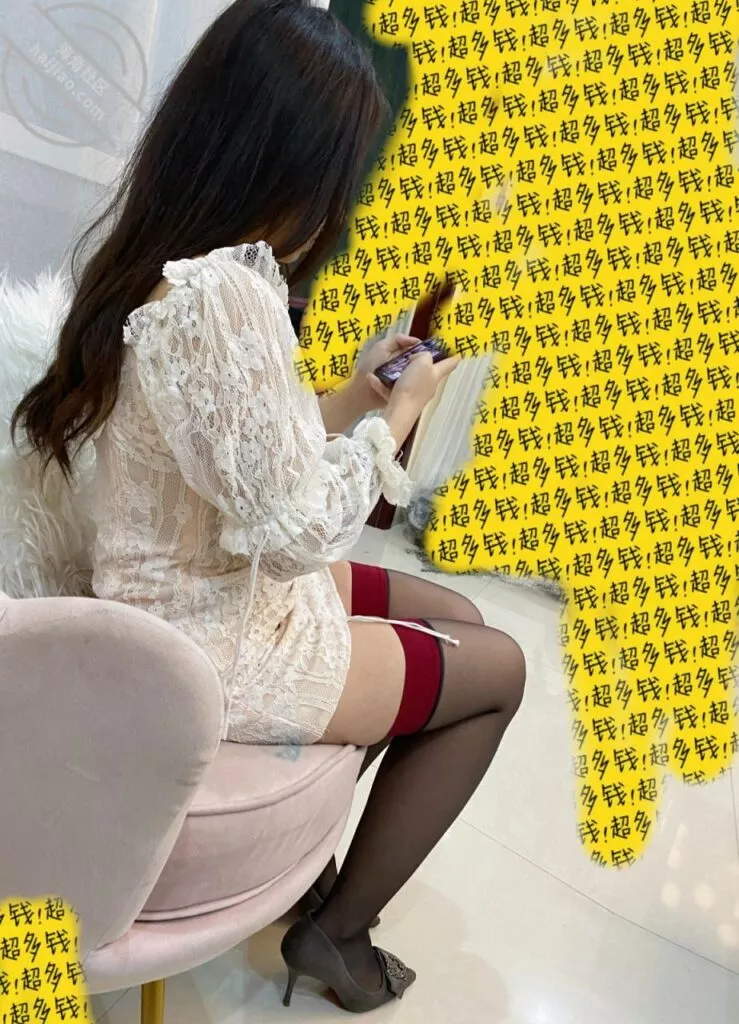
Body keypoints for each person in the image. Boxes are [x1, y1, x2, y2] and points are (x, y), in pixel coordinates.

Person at [13, 0, 526, 1012]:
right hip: (217, 636)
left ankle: (324, 878)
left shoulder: (165, 268)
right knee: (498, 669)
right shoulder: (227, 296)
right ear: (288, 160)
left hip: (199, 588)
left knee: (458, 615)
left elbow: (246, 451)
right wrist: (399, 418)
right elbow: (294, 533)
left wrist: (355, 396)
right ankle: (336, 934)